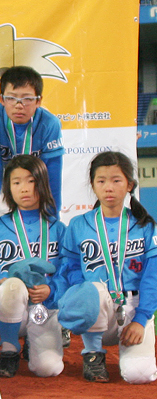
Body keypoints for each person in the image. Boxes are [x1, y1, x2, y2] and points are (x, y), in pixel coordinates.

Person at [56, 151, 157, 383]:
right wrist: (82, 296)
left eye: (116, 180)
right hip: (98, 308)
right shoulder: (79, 225)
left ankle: (132, 346)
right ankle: (93, 354)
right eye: (101, 181)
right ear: (93, 185)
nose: (108, 187)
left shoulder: (145, 225)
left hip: (134, 306)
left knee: (139, 375)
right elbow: (69, 268)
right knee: (94, 290)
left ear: (129, 185)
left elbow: (152, 276)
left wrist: (141, 319)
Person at [0, 155, 66, 378]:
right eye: (16, 182)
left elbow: (68, 274)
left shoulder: (58, 229)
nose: (24, 188)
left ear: (42, 184)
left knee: (49, 369)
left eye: (31, 181)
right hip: (4, 307)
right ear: (8, 188)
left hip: (43, 308)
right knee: (13, 286)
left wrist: (51, 289)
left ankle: (35, 343)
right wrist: (0, 283)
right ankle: (9, 349)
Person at [0, 66, 64, 236]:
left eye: (27, 99)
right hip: (2, 180)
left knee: (39, 236)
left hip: (36, 181)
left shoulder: (50, 124)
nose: (19, 105)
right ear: (2, 99)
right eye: (11, 98)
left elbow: (52, 176)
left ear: (38, 101)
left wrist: (53, 217)